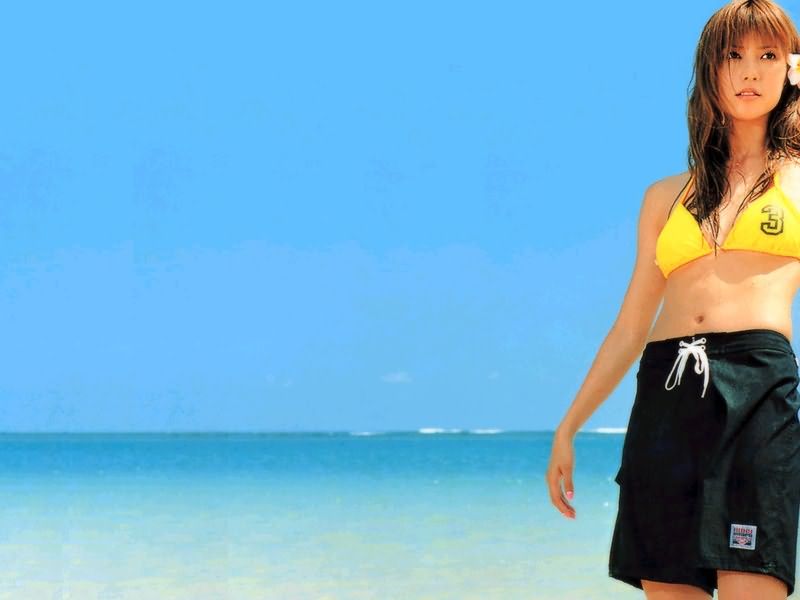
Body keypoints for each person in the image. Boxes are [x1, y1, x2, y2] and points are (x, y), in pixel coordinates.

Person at [545, 1, 800, 598]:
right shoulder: (665, 196)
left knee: (754, 580)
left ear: (791, 70)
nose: (750, 71)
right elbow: (630, 325)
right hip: (666, 394)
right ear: (710, 69)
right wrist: (569, 426)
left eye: (768, 56)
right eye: (733, 55)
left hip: (757, 391)